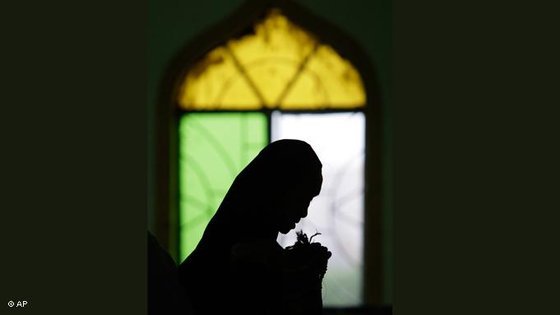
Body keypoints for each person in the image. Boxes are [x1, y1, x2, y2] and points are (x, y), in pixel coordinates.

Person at [178, 139, 331, 315]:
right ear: (278, 189)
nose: (304, 212)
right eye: (302, 197)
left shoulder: (226, 247)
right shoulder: (238, 259)